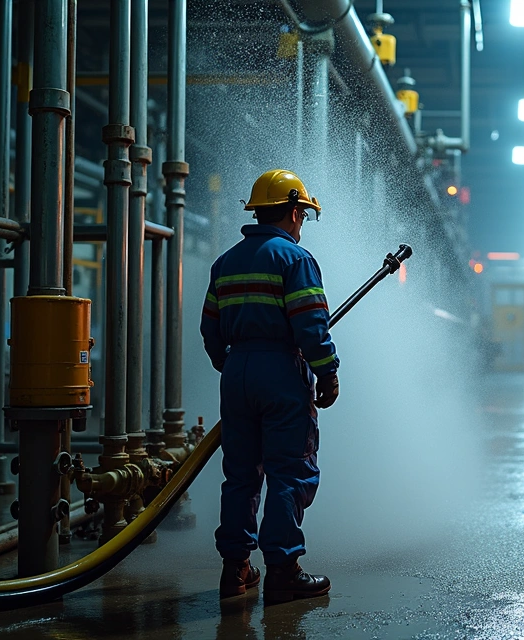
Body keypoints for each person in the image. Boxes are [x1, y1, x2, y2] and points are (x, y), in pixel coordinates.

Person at [200, 169, 340, 603]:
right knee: (288, 472)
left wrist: (230, 364)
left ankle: (236, 569)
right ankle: (282, 569)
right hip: (280, 372)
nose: (303, 224)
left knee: (240, 475)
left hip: (237, 373)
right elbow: (310, 325)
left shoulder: (225, 262)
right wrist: (327, 372)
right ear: (294, 211)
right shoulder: (295, 260)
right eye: (304, 215)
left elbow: (209, 328)